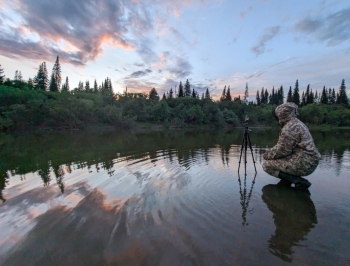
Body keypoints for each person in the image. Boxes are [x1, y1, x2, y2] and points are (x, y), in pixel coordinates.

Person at [262, 102, 321, 190]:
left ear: (281, 115)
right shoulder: (296, 123)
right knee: (279, 160)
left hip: (304, 164)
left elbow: (282, 150)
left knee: (267, 165)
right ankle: (288, 182)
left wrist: (266, 155)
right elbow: (286, 149)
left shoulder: (289, 127)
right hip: (308, 161)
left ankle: (298, 181)